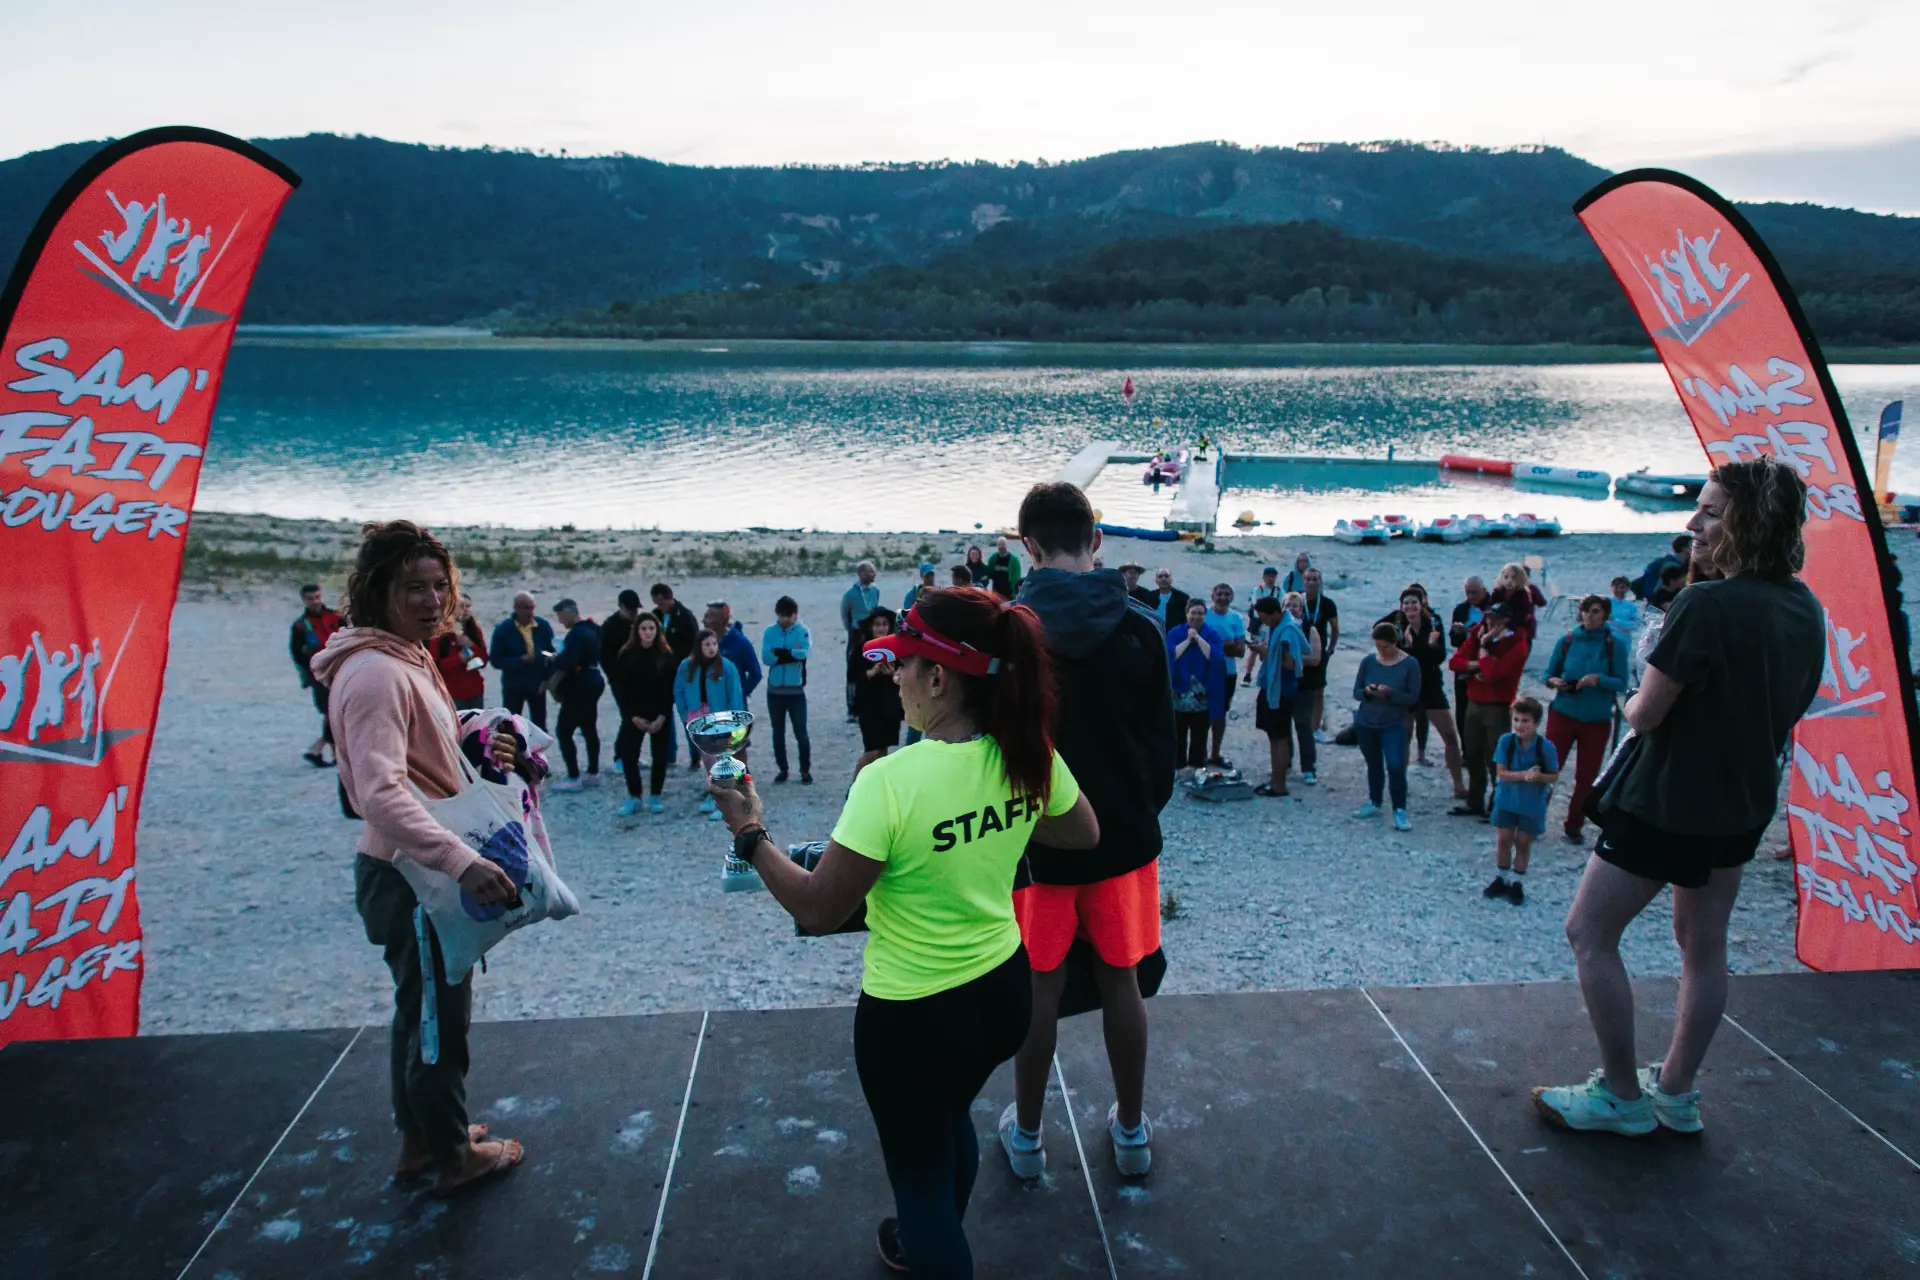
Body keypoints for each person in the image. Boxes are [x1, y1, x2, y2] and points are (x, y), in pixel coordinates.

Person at [708, 586, 1101, 1277]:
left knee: (918, 1177)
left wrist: (748, 834)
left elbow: (817, 908)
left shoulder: (891, 781)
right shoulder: (1024, 754)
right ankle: (929, 1233)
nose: (892, 676)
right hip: (1004, 993)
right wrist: (995, 821)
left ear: (940, 678)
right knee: (949, 1122)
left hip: (913, 1017)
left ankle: (930, 1238)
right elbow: (1081, 831)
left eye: (903, 664)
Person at [1535, 459, 1823, 1137]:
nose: (1693, 523)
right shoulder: (1804, 606)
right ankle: (1676, 1093)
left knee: (1590, 932)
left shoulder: (1705, 604)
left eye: (1712, 512)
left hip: (1668, 801)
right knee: (1705, 943)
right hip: (1743, 802)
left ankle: (1620, 1096)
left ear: (1749, 523)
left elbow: (1644, 715)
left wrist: (1634, 692)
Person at [308, 521, 524, 1198]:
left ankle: (420, 1140)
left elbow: (423, 741)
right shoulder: (375, 671)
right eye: (414, 588)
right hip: (410, 874)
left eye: (440, 586)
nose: (433, 601)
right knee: (440, 1020)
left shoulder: (403, 653)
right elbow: (377, 793)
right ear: (378, 591)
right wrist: (460, 861)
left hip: (408, 869)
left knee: (419, 1009)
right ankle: (454, 1157)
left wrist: (482, 737)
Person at [1007, 482, 1175, 1185]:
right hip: (1124, 844)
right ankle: (1131, 1133)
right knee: (1122, 982)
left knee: (1038, 991)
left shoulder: (1011, 634)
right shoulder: (1141, 627)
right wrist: (1134, 813)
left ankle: (1026, 1137)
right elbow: (1164, 751)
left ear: (1029, 547)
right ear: (1096, 540)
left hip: (1038, 847)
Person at [1544, 595, 1629, 846]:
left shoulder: (1615, 644)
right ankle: (1534, 817)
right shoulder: (1567, 641)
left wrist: (1599, 679)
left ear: (1605, 615)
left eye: (1595, 612)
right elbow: (1549, 674)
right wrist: (1555, 682)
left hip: (1596, 719)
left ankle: (1574, 825)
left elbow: (1622, 682)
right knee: (1549, 767)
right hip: (1563, 712)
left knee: (1586, 776)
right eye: (1585, 611)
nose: (1589, 617)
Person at [1447, 601, 1530, 817]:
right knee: (1473, 753)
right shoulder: (1478, 633)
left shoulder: (1517, 644)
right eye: (1489, 616)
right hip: (1475, 702)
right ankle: (1475, 801)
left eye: (1496, 618)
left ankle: (1498, 804)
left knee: (1496, 758)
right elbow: (1455, 662)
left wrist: (1483, 647)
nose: (1490, 621)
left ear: (1506, 620)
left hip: (1498, 706)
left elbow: (1494, 674)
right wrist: (1479, 664)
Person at [1380, 587, 1464, 797]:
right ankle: (1399, 783)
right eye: (1406, 603)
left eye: (1414, 603)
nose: (1410, 607)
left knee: (1450, 736)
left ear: (1422, 604)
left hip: (1431, 687)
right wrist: (1408, 647)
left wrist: (1414, 650)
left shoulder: (1433, 623)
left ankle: (1459, 785)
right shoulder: (1397, 624)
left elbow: (1438, 657)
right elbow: (1393, 654)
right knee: (1404, 737)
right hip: (1407, 688)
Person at [1485, 697, 1559, 904]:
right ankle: (1501, 879)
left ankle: (1517, 883)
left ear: (1536, 723)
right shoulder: (1506, 742)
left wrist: (1539, 778)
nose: (1519, 725)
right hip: (1507, 800)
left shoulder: (1546, 748)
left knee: (1524, 843)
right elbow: (1501, 773)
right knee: (1503, 840)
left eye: (1525, 721)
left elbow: (1553, 775)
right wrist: (1525, 776)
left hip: (1531, 805)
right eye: (1516, 720)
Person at [1352, 620, 1422, 830]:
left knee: (1395, 765)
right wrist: (1368, 692)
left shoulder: (1410, 664)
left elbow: (1412, 697)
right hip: (1367, 722)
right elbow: (1356, 692)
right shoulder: (1368, 662)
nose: (1381, 650)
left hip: (1393, 723)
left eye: (1385, 646)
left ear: (1395, 643)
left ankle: (1399, 809)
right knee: (1373, 764)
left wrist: (1390, 693)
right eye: (1378, 646)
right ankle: (1374, 802)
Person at [674, 629, 746, 820]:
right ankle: (715, 793)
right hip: (698, 717)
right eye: (707, 644)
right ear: (699, 647)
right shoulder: (686, 667)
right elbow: (679, 690)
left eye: (714, 644)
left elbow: (735, 695)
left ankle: (724, 800)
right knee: (707, 758)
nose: (712, 648)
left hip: (720, 718)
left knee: (721, 758)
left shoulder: (727, 667)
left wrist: (735, 723)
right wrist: (686, 714)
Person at [610, 611, 677, 814]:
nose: (648, 632)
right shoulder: (626, 654)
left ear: (657, 631)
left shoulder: (666, 655)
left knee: (660, 756)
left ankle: (655, 795)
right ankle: (634, 796)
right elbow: (621, 690)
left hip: (659, 714)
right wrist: (632, 716)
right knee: (629, 756)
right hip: (634, 714)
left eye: (651, 628)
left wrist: (662, 716)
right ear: (637, 631)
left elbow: (670, 690)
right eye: (643, 629)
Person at [1250, 596, 1309, 797]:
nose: (1263, 621)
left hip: (1282, 690)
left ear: (1274, 613)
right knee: (1273, 736)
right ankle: (1275, 779)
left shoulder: (1287, 631)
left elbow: (1290, 664)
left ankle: (1280, 784)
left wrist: (1265, 652)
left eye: (1264, 617)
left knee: (1280, 738)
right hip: (1273, 688)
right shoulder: (1279, 627)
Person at [547, 599, 605, 792]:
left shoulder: (576, 634)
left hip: (580, 684)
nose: (561, 621)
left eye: (561, 616)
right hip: (594, 679)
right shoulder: (593, 629)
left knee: (564, 730)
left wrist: (556, 659)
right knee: (589, 726)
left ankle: (573, 777)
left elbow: (569, 661)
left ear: (569, 612)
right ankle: (593, 772)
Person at [1166, 599, 1225, 769]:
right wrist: (1187, 641)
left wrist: (1198, 639)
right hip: (1180, 691)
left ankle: (1197, 763)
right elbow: (1170, 655)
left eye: (1200, 613)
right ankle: (1178, 764)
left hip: (1202, 693)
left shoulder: (1211, 634)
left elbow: (1215, 657)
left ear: (1205, 616)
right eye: (1193, 613)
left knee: (1200, 732)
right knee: (1178, 731)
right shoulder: (1176, 632)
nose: (1196, 617)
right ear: (1187, 614)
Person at [290, 583, 344, 766]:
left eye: (317, 597)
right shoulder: (300, 626)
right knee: (331, 711)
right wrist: (311, 669)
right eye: (310, 599)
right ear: (303, 600)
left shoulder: (336, 617)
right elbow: (296, 652)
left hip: (340, 670)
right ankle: (320, 748)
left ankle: (328, 752)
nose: (314, 601)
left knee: (336, 712)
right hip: (320, 675)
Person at [761, 595, 813, 785]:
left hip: (795, 690)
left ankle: (805, 770)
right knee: (778, 732)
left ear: (795, 615)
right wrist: (791, 655)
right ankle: (783, 769)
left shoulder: (803, 631)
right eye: (782, 616)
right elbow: (766, 657)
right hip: (775, 691)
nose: (785, 620)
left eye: (789, 616)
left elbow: (804, 653)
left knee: (801, 732)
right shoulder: (770, 632)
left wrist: (782, 654)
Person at [488, 592, 554, 730]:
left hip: (537, 683)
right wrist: (520, 660)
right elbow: (495, 660)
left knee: (540, 726)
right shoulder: (503, 630)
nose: (530, 612)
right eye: (526, 608)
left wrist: (547, 679)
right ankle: (514, 751)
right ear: (516, 608)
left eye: (532, 608)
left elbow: (551, 653)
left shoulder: (542, 626)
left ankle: (538, 751)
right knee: (511, 724)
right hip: (514, 685)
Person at [853, 608, 906, 774]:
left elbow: (905, 675)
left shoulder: (895, 648)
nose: (881, 628)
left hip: (890, 707)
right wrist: (871, 672)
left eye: (884, 624)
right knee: (872, 751)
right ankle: (854, 789)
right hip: (869, 707)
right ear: (870, 627)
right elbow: (852, 676)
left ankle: (873, 790)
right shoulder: (861, 649)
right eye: (877, 624)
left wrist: (892, 674)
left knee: (883, 753)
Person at [1202, 582, 1247, 765]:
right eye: (1219, 594)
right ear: (1212, 596)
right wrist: (1226, 644)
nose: (1223, 597)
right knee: (1202, 713)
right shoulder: (1203, 615)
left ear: (1232, 597)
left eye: (1227, 594)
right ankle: (1201, 753)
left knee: (1220, 714)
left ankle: (1215, 753)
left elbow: (1240, 651)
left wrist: (1214, 645)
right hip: (1203, 670)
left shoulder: (1236, 618)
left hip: (1228, 672)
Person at [427, 594, 488, 712]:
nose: (466, 610)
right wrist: (459, 659)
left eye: (469, 606)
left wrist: (471, 646)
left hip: (475, 691)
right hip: (452, 693)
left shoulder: (474, 631)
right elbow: (434, 667)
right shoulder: (439, 635)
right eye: (462, 606)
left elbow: (484, 661)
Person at [1299, 567, 1339, 741]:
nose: (1312, 582)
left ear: (1320, 582)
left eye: (1315, 579)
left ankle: (1315, 727)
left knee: (1319, 690)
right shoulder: (1297, 600)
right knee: (1298, 689)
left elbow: (1335, 628)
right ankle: (1300, 723)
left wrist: (1330, 649)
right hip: (1299, 651)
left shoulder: (1327, 603)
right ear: (1303, 581)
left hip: (1320, 652)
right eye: (1308, 579)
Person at [841, 560, 882, 721]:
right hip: (856, 634)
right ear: (861, 574)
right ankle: (852, 708)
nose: (873, 574)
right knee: (853, 670)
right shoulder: (850, 594)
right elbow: (845, 615)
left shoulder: (876, 591)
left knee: (872, 667)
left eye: (874, 571)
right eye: (869, 572)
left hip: (870, 634)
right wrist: (852, 630)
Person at [705, 600, 763, 702]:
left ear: (720, 620)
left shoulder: (740, 642)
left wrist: (740, 694)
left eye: (708, 617)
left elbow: (756, 673)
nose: (703, 621)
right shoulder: (705, 642)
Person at [1450, 575, 1491, 712]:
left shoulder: (1494, 608)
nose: (1471, 596)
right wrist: (1458, 632)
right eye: (1468, 592)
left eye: (1474, 592)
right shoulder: (1461, 610)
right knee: (1462, 709)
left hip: (1486, 660)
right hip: (1465, 660)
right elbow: (1454, 642)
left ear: (1483, 590)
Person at [1242, 566, 1281, 685]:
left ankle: (1265, 673)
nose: (1271, 579)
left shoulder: (1279, 591)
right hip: (1258, 623)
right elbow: (1255, 603)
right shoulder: (1258, 589)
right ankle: (1247, 675)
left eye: (1273, 576)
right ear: (1264, 577)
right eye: (1268, 576)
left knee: (1268, 648)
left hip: (1271, 623)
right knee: (1254, 649)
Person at [1632, 533, 1693, 600]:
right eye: (1693, 545)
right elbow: (1658, 589)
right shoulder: (1671, 565)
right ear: (1685, 548)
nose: (1696, 546)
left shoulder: (1677, 562)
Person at [1489, 562, 1539, 645]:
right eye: (1506, 577)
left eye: (1514, 578)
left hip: (1517, 629)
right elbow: (1489, 608)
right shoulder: (1498, 592)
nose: (1509, 581)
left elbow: (1521, 617)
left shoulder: (1523, 595)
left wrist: (1506, 626)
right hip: (1496, 626)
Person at [600, 588, 643, 683]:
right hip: (621, 678)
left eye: (635, 608)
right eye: (630, 608)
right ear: (620, 606)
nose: (633, 612)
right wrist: (616, 678)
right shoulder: (609, 627)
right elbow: (605, 657)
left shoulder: (641, 623)